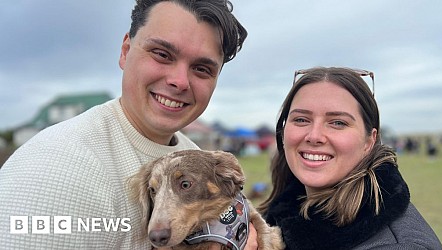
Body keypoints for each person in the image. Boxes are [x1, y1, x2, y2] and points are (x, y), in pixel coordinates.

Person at [0, 0, 256, 249]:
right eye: (162, 54)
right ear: (125, 51)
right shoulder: (55, 170)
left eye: (201, 69)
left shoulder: (195, 157)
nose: (180, 81)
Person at [258, 67, 442, 249]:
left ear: (369, 141)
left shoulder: (398, 245)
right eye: (301, 119)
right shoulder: (280, 217)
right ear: (283, 132)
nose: (314, 136)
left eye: (338, 123)